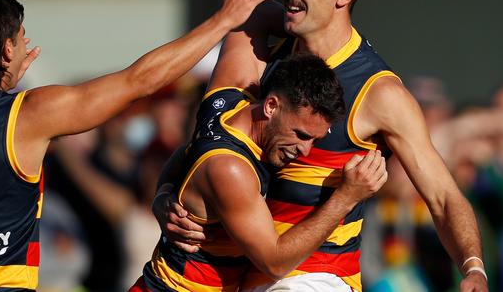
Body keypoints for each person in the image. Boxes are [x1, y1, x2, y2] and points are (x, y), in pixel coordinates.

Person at [0, 0, 271, 291]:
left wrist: (1, 82)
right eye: (19, 38)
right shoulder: (29, 113)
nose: (26, 42)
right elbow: (139, 81)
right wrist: (222, 20)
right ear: (6, 51)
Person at [155, 0, 488, 292]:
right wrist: (166, 196)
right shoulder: (266, 55)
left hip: (318, 277)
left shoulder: (379, 93)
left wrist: (473, 268)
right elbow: (204, 142)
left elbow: (443, 196)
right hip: (246, 275)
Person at [131, 54, 387, 292]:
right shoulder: (231, 169)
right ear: (271, 106)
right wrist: (346, 198)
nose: (305, 151)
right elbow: (274, 263)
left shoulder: (226, 105)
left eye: (314, 140)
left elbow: (186, 152)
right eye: (300, 135)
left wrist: (163, 193)